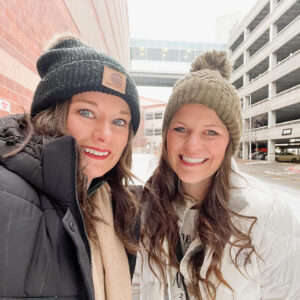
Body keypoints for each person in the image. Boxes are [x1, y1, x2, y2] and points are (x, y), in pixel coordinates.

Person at [132, 50, 300, 300]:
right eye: (180, 129)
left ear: (228, 143)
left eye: (210, 132)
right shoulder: (145, 207)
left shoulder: (268, 215)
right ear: (166, 136)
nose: (192, 145)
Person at [0, 35, 141, 299]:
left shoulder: (111, 205)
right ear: (51, 115)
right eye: (86, 113)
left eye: (120, 121)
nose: (105, 134)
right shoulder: (6, 197)